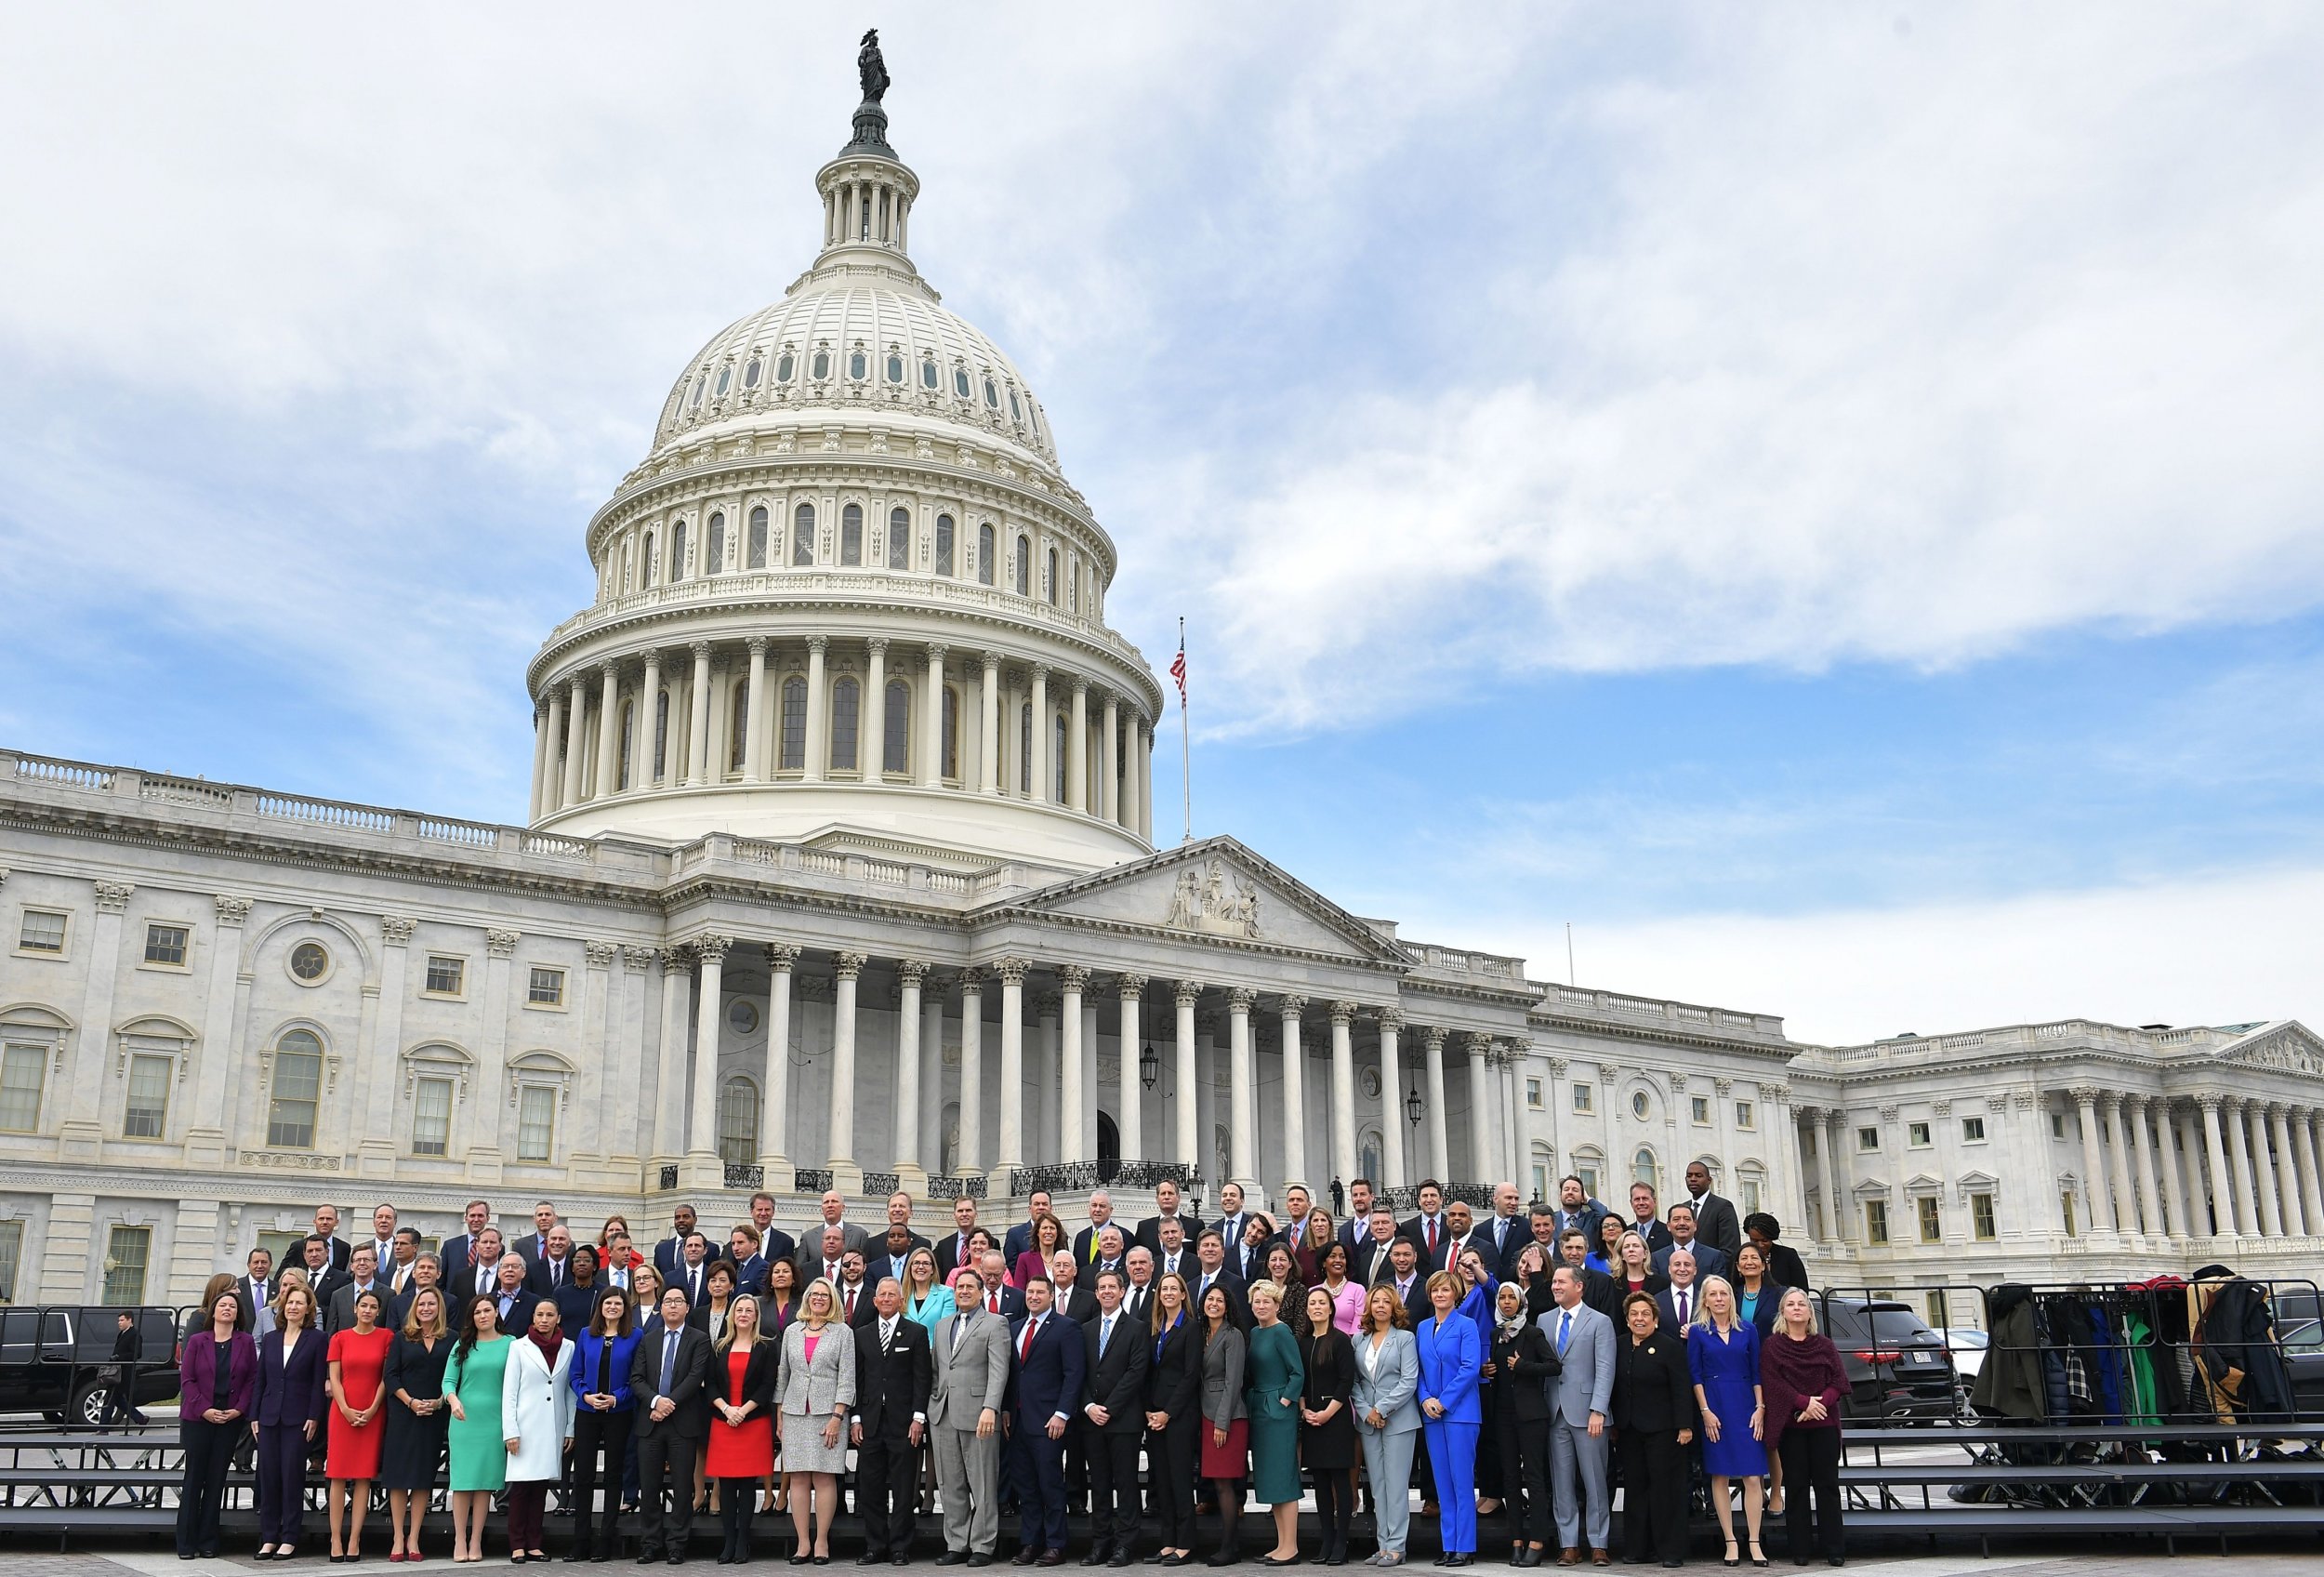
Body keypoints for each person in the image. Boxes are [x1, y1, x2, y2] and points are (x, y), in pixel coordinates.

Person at [930, 1265, 1012, 1566]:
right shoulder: (942, 1325)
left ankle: (982, 1544)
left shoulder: (995, 1323)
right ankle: (957, 1542)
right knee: (950, 1484)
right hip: (944, 1414)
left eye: (969, 1287)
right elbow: (937, 1370)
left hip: (979, 1414)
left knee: (982, 1483)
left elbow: (999, 1370)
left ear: (981, 1292)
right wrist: (933, 1402)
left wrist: (991, 1407)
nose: (964, 1291)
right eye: (960, 1287)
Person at [1608, 1292, 1695, 1570]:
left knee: (1665, 1491)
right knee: (1635, 1490)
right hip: (1629, 1430)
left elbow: (1682, 1389)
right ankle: (1637, 1548)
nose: (1639, 1319)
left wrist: (1685, 1425)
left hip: (1664, 1430)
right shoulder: (1619, 1345)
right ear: (1627, 1319)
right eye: (1634, 1314)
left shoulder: (1669, 1347)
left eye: (1645, 1314)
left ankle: (1670, 1550)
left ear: (1655, 1319)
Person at [1760, 1290, 1844, 1568]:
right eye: (1790, 1304)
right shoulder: (1773, 1346)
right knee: (1795, 1487)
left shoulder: (1825, 1345)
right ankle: (1800, 1548)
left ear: (1809, 1312)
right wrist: (1804, 1402)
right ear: (1783, 1312)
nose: (1797, 1308)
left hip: (1825, 1425)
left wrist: (1819, 1404)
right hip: (1791, 1425)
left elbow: (1838, 1381)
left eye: (1802, 1304)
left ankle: (1834, 1547)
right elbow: (1773, 1383)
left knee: (1827, 1486)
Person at [1687, 1276, 1766, 1568]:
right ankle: (1730, 1540)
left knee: (1753, 1476)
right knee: (1719, 1475)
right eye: (1713, 1294)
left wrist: (1760, 1408)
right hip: (1714, 1405)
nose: (1719, 1298)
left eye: (1724, 1293)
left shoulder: (1748, 1329)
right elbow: (1694, 1375)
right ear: (1705, 1300)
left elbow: (1756, 1371)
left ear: (1731, 1298)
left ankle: (1755, 1541)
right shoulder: (1697, 1332)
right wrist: (1705, 1411)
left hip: (1746, 1403)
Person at [1007, 1275, 1087, 1565]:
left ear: (1051, 1296)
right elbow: (1013, 1375)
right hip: (1017, 1421)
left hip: (1049, 1421)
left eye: (1041, 1292)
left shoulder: (1066, 1328)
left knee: (1050, 1484)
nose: (1034, 1296)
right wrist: (1005, 1411)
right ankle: (1031, 1542)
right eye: (1030, 1292)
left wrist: (1062, 1413)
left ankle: (1055, 1544)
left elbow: (1073, 1374)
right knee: (1026, 1487)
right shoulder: (1014, 1327)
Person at [631, 1284, 713, 1566]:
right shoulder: (648, 1339)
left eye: (679, 1301)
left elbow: (695, 1377)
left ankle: (677, 1544)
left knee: (681, 1487)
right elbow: (637, 1378)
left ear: (687, 1308)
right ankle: (650, 1543)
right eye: (668, 1301)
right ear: (661, 1307)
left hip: (683, 1422)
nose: (673, 1306)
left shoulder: (699, 1339)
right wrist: (655, 1402)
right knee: (650, 1486)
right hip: (650, 1423)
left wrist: (667, 1404)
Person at [777, 1277, 858, 1562]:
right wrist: (780, 1416)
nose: (819, 1299)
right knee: (798, 1478)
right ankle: (803, 1543)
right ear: (807, 1298)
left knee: (824, 1479)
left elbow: (848, 1378)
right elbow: (782, 1375)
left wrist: (838, 1416)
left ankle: (821, 1541)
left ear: (832, 1300)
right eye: (815, 1294)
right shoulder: (792, 1331)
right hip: (795, 1412)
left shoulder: (842, 1332)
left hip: (828, 1414)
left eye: (825, 1295)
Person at [853, 1278, 932, 1565]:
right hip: (870, 1423)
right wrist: (856, 1419)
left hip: (904, 1424)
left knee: (903, 1489)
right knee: (871, 1488)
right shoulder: (861, 1335)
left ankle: (900, 1546)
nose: (886, 1299)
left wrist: (918, 1418)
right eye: (882, 1295)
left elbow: (922, 1379)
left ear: (901, 1300)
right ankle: (875, 1545)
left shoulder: (916, 1333)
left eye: (892, 1295)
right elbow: (859, 1380)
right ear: (875, 1301)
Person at [1541, 1266, 1615, 1566]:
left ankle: (1599, 1543)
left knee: (1595, 1480)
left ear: (1579, 1286)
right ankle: (1568, 1543)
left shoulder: (1599, 1321)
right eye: (1554, 1282)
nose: (1555, 1286)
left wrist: (1599, 1408)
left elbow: (1605, 1368)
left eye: (1561, 1281)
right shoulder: (1544, 1320)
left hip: (1589, 1414)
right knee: (1561, 1482)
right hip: (1554, 1412)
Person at [177, 1286, 256, 1559]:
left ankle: (208, 1540)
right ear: (214, 1311)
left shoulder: (245, 1342)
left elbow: (251, 1381)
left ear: (238, 1314)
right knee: (194, 1478)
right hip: (199, 1418)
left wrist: (239, 1410)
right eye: (222, 1305)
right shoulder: (198, 1340)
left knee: (216, 1480)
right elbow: (187, 1380)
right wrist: (204, 1409)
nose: (227, 1309)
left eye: (232, 1306)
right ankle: (186, 1542)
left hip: (230, 1419)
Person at [1079, 1268, 1149, 1567]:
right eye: (1102, 1287)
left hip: (1124, 1421)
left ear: (1122, 1291)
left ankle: (1125, 1544)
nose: (1107, 1291)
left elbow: (1136, 1373)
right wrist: (1088, 1407)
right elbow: (1078, 1373)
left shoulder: (1137, 1328)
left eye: (1112, 1287)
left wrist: (1108, 1408)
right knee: (1100, 1484)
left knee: (1126, 1484)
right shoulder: (1086, 1329)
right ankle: (1101, 1543)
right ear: (1096, 1293)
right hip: (1091, 1420)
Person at [700, 1292, 775, 1565]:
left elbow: (768, 1385)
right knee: (727, 1485)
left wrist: (742, 1410)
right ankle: (728, 1541)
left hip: (753, 1422)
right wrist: (727, 1409)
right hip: (724, 1421)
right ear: (732, 1315)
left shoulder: (766, 1347)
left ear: (756, 1316)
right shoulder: (719, 1346)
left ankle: (743, 1541)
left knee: (747, 1485)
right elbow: (710, 1384)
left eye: (748, 1310)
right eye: (739, 1310)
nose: (743, 1314)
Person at [1486, 1281, 1557, 1568]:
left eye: (1511, 1298)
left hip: (1531, 1416)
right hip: (1503, 1415)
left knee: (1535, 1479)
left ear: (1520, 1302)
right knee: (1510, 1479)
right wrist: (1487, 1370)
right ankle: (1516, 1540)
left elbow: (1554, 1366)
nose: (1505, 1302)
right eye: (1501, 1297)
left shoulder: (1532, 1333)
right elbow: (1500, 1371)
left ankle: (1537, 1541)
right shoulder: (1495, 1333)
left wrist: (1524, 1367)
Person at [255, 1282, 328, 1559]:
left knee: (291, 1476)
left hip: (299, 1418)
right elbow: (261, 1379)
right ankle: (269, 1537)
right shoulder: (272, 1338)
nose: (294, 1307)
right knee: (269, 1476)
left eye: (299, 1303)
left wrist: (313, 1416)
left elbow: (317, 1382)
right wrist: (254, 1415)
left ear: (308, 1308)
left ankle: (289, 1536)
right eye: (290, 1302)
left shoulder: (317, 1339)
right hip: (269, 1415)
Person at [570, 1286, 643, 1563]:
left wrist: (615, 1398)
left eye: (618, 1303)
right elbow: (575, 1374)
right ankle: (580, 1541)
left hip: (619, 1411)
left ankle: (605, 1540)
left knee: (614, 1475)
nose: (612, 1307)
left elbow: (637, 1377)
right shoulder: (585, 1335)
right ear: (600, 1306)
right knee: (585, 1474)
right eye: (607, 1302)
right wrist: (586, 1395)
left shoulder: (635, 1336)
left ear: (626, 1308)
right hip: (587, 1411)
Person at [500, 1298, 575, 1563]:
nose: (544, 1320)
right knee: (520, 1488)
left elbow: (569, 1391)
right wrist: (510, 1430)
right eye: (539, 1315)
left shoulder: (569, 1347)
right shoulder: (518, 1346)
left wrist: (570, 1428)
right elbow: (509, 1392)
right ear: (533, 1318)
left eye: (549, 1315)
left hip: (552, 1426)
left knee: (540, 1488)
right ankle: (517, 1544)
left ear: (558, 1318)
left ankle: (535, 1543)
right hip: (525, 1425)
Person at [383, 1287, 454, 1564]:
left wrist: (438, 1402)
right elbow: (391, 1376)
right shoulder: (402, 1338)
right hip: (404, 1414)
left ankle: (414, 1537)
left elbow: (453, 1375)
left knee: (423, 1478)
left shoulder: (452, 1339)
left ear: (439, 1308)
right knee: (400, 1478)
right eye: (421, 1304)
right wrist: (411, 1402)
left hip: (434, 1415)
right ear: (415, 1308)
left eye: (431, 1304)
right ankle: (398, 1536)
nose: (426, 1308)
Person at [1415, 1271, 1482, 1567]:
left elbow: (1470, 1367)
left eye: (1445, 1290)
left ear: (1455, 1294)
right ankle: (1448, 1544)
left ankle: (1464, 1547)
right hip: (1432, 1414)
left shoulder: (1467, 1325)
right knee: (1443, 1484)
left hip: (1461, 1414)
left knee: (1461, 1481)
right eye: (1435, 1290)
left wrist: (1444, 1401)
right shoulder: (1422, 1327)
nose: (1440, 1295)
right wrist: (1426, 1398)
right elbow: (1417, 1369)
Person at [1352, 1282, 1419, 1569]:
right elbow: (1355, 1383)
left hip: (1398, 1421)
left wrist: (1381, 1408)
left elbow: (1409, 1381)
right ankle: (1382, 1545)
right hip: (1369, 1422)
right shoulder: (1358, 1340)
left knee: (1396, 1485)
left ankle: (1397, 1546)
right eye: (1375, 1301)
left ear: (1394, 1308)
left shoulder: (1404, 1338)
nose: (1380, 1305)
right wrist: (1367, 1410)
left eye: (1386, 1301)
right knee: (1378, 1487)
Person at [444, 1293, 515, 1564]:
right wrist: (453, 1401)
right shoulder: (463, 1344)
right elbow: (449, 1380)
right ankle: (459, 1538)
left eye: (487, 1310)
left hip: (495, 1421)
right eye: (477, 1312)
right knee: (463, 1482)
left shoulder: (511, 1344)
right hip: (464, 1419)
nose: (482, 1315)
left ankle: (476, 1540)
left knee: (484, 1484)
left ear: (496, 1313)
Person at [327, 1286, 393, 1560]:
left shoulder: (386, 1336)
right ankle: (335, 1539)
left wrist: (372, 1408)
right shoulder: (340, 1337)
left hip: (373, 1411)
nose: (367, 1310)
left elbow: (385, 1376)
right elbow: (335, 1377)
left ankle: (354, 1539)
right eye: (363, 1305)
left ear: (378, 1312)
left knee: (364, 1476)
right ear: (355, 1309)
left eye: (372, 1307)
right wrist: (345, 1409)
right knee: (338, 1476)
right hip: (342, 1412)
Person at [1142, 1272, 1202, 1566]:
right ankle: (1168, 1542)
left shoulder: (1191, 1329)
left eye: (1173, 1289)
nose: (1168, 1293)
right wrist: (1149, 1411)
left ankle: (1186, 1543)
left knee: (1179, 1480)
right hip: (1154, 1415)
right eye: (1163, 1289)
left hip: (1179, 1416)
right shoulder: (1155, 1330)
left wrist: (1168, 1412)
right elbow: (1149, 1374)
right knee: (1161, 1481)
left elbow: (1191, 1375)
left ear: (1182, 1294)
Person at [1298, 1285, 1358, 1566]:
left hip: (1335, 1418)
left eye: (1322, 1302)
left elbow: (1346, 1381)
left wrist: (1326, 1413)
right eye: (1312, 1303)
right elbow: (1298, 1378)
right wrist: (1304, 1410)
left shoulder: (1341, 1340)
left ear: (1331, 1308)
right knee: (1319, 1482)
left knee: (1339, 1481)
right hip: (1310, 1418)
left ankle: (1341, 1541)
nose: (1317, 1307)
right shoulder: (1303, 1342)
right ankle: (1326, 1539)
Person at [1196, 1283, 1248, 1568]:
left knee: (1226, 1485)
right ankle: (1228, 1545)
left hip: (1226, 1418)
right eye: (1210, 1299)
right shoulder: (1203, 1333)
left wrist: (1222, 1422)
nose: (1214, 1303)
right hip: (1205, 1414)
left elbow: (1233, 1382)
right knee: (1217, 1484)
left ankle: (1230, 1547)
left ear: (1227, 1305)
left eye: (1220, 1300)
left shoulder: (1233, 1335)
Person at [1680, 1163, 1744, 1266]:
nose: (1693, 1179)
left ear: (1709, 1180)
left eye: (1698, 1176)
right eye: (1689, 1175)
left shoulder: (1723, 1207)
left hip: (1712, 1274)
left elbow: (1730, 1250)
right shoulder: (1682, 1209)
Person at [99, 1310, 150, 1429]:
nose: (119, 1323)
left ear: (129, 1320)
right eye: (119, 1320)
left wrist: (119, 1357)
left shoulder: (134, 1334)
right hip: (116, 1372)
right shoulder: (122, 1334)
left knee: (110, 1399)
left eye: (122, 1320)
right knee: (118, 1400)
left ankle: (103, 1428)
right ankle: (140, 1419)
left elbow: (137, 1353)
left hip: (124, 1373)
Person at [1651, 1207, 1727, 1282]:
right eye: (1676, 1219)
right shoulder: (1657, 1258)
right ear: (1668, 1226)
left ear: (1695, 1225)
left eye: (1687, 1219)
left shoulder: (1714, 1257)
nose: (1682, 1223)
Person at [1741, 1215, 1808, 1294]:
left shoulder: (1788, 1256)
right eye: (1755, 1240)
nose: (1760, 1245)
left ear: (1772, 1238)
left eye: (1765, 1240)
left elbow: (1802, 1290)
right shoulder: (1742, 1257)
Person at [1011, 1212, 1070, 1291]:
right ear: (1038, 1232)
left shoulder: (1065, 1259)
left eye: (1052, 1228)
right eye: (1044, 1228)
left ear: (1057, 1233)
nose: (1048, 1231)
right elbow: (1019, 1292)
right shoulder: (1025, 1259)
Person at [1731, 1246, 1780, 1338]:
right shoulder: (1731, 1294)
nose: (1749, 1262)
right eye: (1744, 1258)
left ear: (1763, 1265)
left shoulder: (1778, 1294)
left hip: (1768, 1349)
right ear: (1738, 1266)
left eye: (1754, 1258)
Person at [903, 1246, 956, 1333]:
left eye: (926, 1263)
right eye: (916, 1263)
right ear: (910, 1267)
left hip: (934, 1346)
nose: (920, 1267)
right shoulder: (902, 1295)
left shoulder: (946, 1293)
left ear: (933, 1270)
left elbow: (946, 1329)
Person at [558, 1244, 606, 1333]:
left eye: (587, 1260)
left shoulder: (603, 1292)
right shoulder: (560, 1293)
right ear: (572, 1267)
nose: (581, 1263)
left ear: (595, 1267)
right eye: (577, 1260)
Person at [689, 1260, 740, 1343]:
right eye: (713, 1280)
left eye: (722, 1280)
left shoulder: (736, 1313)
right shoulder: (696, 1315)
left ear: (731, 1285)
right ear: (708, 1286)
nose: (717, 1284)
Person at [1656, 1251, 1703, 1336]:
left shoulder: (1705, 1300)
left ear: (1695, 1270)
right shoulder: (1656, 1301)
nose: (1682, 1269)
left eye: (1687, 1265)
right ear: (1669, 1270)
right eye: (1677, 1264)